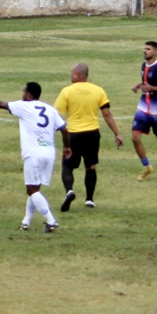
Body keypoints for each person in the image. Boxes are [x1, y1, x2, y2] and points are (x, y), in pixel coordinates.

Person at [0, 82, 71, 232]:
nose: (22, 95)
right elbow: (64, 130)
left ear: (29, 94)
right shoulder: (50, 109)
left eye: (23, 92)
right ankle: (26, 222)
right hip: (49, 154)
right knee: (34, 188)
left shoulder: (24, 106)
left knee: (32, 190)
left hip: (33, 154)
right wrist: (67, 147)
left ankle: (51, 221)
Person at [54, 63, 124, 210]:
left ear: (78, 75)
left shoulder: (67, 91)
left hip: (73, 133)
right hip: (92, 133)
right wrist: (117, 133)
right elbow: (106, 114)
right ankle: (89, 199)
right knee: (90, 166)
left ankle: (69, 191)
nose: (71, 75)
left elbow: (56, 114)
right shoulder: (98, 90)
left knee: (67, 165)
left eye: (72, 73)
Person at [131, 40, 157, 181]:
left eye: (148, 49)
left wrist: (152, 88)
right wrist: (139, 86)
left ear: (155, 52)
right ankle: (147, 167)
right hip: (143, 107)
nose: (145, 51)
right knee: (135, 137)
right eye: (145, 49)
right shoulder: (144, 65)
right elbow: (146, 84)